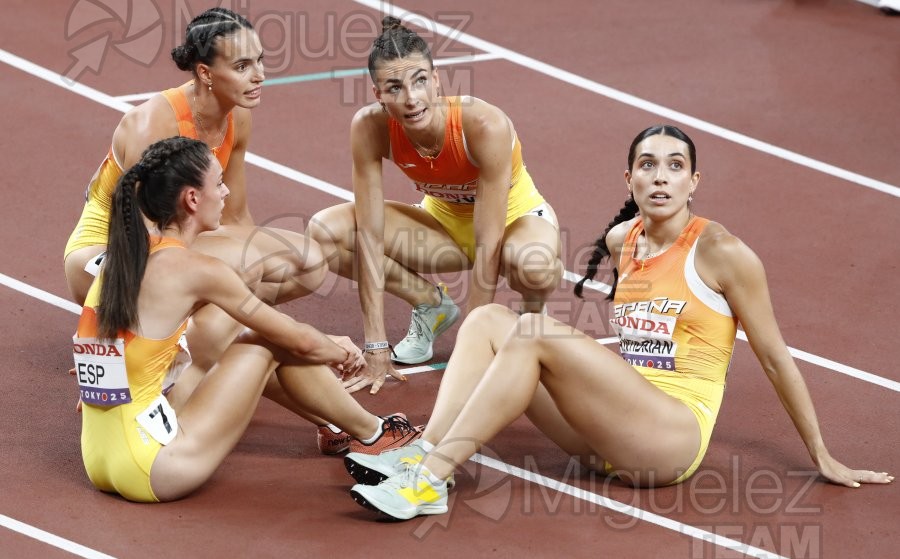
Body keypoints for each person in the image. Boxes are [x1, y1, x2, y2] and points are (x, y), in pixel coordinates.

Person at [343, 125, 893, 520]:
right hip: (604, 435)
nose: (661, 177)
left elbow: (774, 358)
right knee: (488, 319)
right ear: (628, 177)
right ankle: (423, 452)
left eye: (675, 166)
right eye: (648, 165)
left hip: (670, 439)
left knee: (532, 333)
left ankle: (429, 480)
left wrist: (821, 452)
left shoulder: (724, 253)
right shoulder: (619, 241)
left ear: (694, 181)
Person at [63, 7, 348, 454]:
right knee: (232, 298)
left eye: (260, 60)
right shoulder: (152, 124)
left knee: (308, 264)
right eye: (242, 66)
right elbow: (140, 240)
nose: (260, 76)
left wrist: (243, 298)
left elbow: (236, 219)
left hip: (177, 242)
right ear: (204, 73)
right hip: (109, 251)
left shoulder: (238, 114)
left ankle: (208, 339)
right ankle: (183, 359)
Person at [75, 137, 422, 503]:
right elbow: (296, 340)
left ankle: (341, 426)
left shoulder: (119, 262)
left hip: (98, 459)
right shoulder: (198, 270)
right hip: (154, 467)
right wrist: (341, 352)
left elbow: (96, 354)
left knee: (235, 334)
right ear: (192, 199)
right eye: (219, 182)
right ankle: (375, 435)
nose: (225, 192)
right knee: (267, 341)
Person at [307, 16, 563, 393]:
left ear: (437, 79)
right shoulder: (369, 127)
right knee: (326, 232)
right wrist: (376, 344)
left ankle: (532, 330)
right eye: (395, 87)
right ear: (377, 93)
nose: (411, 99)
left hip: (512, 223)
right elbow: (370, 234)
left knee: (535, 267)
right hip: (443, 226)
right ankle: (430, 304)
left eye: (420, 81)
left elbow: (488, 244)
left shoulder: (483, 125)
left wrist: (470, 354)